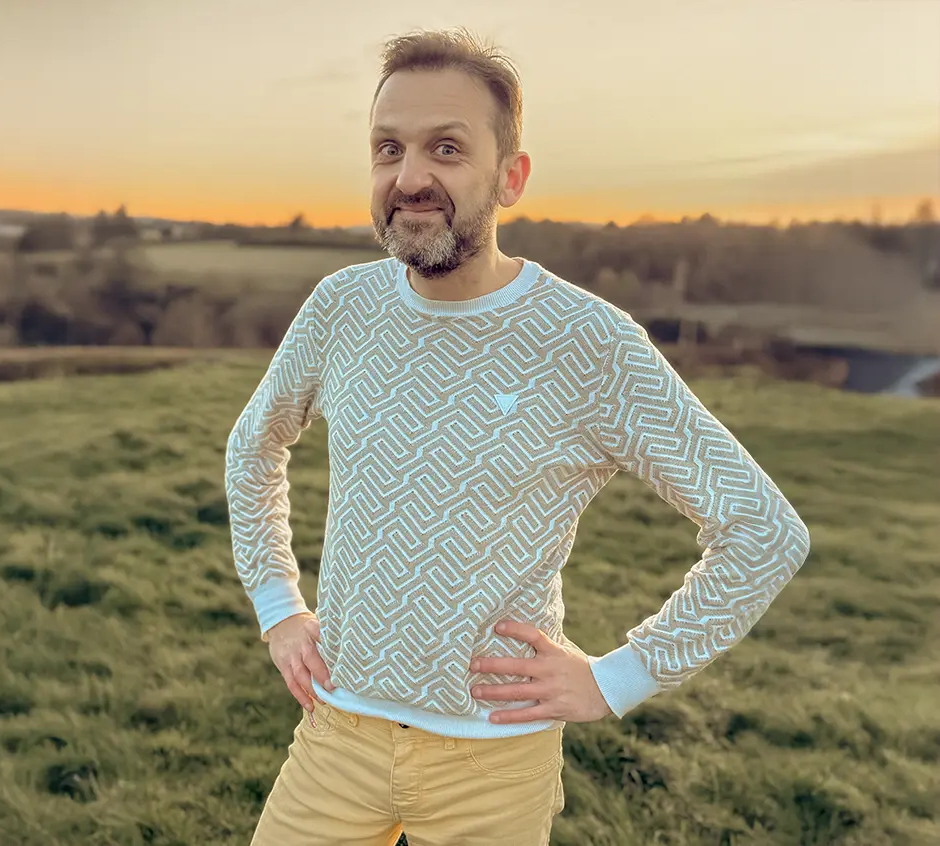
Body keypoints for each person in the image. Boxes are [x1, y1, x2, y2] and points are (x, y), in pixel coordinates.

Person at [224, 26, 811, 846]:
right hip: (335, 734)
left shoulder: (590, 345)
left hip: (492, 767)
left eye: (447, 148)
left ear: (511, 177)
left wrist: (619, 677)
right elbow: (254, 445)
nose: (410, 176)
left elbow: (762, 530)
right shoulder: (340, 307)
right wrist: (279, 607)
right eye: (387, 147)